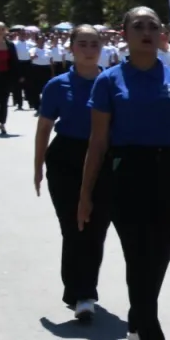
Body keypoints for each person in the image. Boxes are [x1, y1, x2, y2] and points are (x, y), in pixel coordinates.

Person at [79, 7, 170, 340]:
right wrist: (85, 194)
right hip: (124, 170)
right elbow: (97, 142)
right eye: (138, 26)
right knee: (137, 253)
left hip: (166, 170)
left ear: (162, 35)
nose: (146, 31)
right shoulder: (109, 80)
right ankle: (151, 337)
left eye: (153, 26)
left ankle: (139, 315)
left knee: (158, 254)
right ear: (124, 34)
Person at [34, 25, 110, 320]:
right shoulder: (57, 85)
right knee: (72, 225)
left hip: (102, 155)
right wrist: (37, 166)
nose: (89, 49)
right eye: (82, 43)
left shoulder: (111, 82)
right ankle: (81, 292)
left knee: (96, 226)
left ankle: (84, 287)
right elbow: (44, 128)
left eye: (94, 44)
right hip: (66, 157)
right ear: (71, 47)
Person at [0, 21, 21, 134]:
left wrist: (19, 76)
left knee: (3, 101)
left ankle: (2, 123)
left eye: (2, 29)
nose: (0, 32)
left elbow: (15, 61)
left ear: (5, 31)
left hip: (6, 76)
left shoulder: (10, 45)